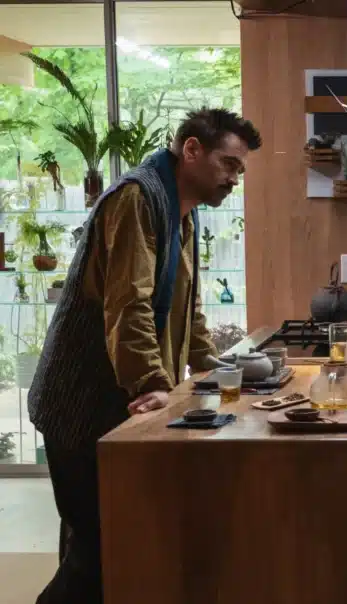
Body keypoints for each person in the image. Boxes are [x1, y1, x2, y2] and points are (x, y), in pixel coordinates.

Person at [28, 107, 262, 604]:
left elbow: (187, 306)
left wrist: (211, 368)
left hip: (118, 405)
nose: (234, 178)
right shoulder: (137, 198)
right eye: (228, 164)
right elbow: (128, 304)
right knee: (96, 555)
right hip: (81, 403)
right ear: (192, 149)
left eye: (240, 170)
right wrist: (153, 385)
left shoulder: (183, 209)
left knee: (114, 549)